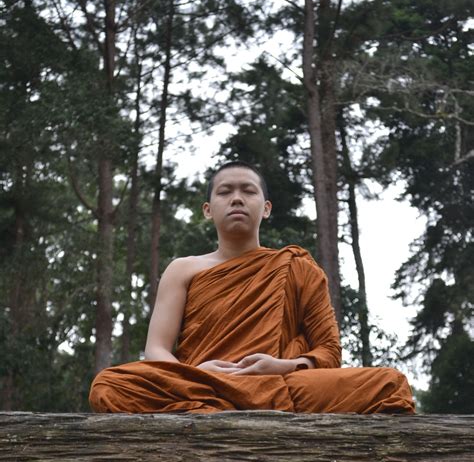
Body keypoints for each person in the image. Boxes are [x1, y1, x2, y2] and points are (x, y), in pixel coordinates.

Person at [89, 161, 415, 415]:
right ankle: (230, 404)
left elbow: (329, 353)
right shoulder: (183, 269)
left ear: (267, 208)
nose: (237, 199)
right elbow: (156, 350)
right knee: (108, 385)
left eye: (248, 191)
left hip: (278, 381)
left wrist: (282, 366)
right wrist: (195, 372)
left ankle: (219, 410)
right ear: (208, 209)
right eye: (225, 192)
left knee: (390, 384)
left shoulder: (297, 267)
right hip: (203, 383)